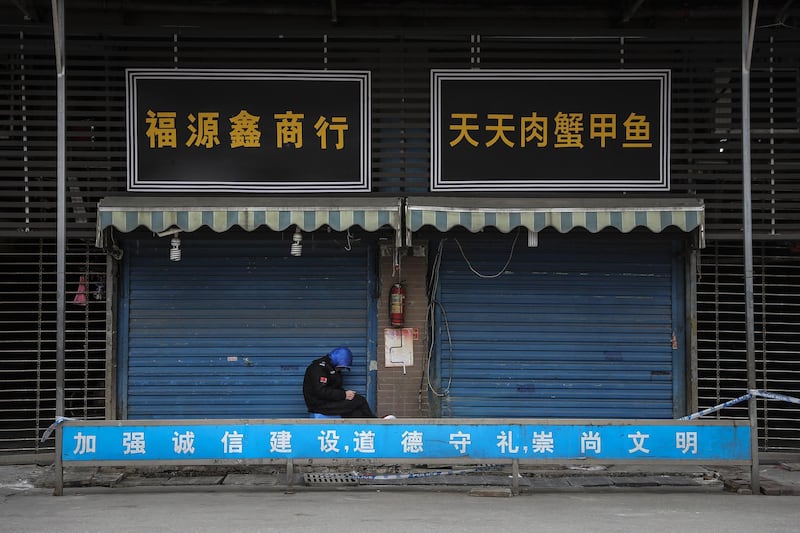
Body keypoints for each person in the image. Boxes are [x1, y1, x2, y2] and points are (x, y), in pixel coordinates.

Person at [303, 347, 377, 418]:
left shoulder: (332, 368)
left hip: (329, 402)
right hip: (319, 406)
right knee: (359, 400)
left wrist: (347, 395)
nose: (341, 369)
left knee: (356, 413)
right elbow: (321, 391)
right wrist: (344, 394)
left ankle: (372, 428)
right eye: (341, 367)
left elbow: (335, 388)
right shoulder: (318, 369)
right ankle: (375, 423)